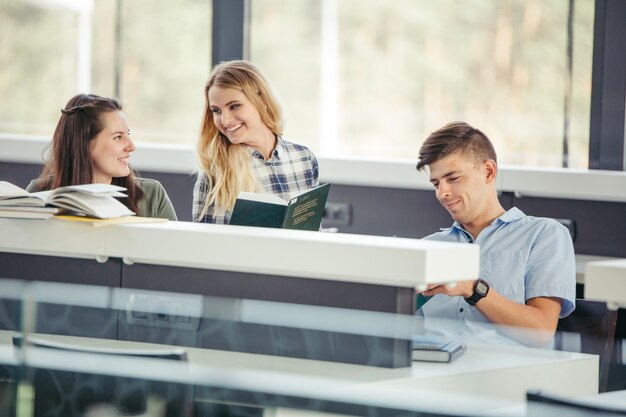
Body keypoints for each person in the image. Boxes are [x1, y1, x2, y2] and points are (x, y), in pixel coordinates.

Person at [415, 121, 575, 347]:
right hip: (432, 372)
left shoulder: (543, 235)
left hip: (507, 377)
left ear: (488, 172)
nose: (443, 193)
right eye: (436, 183)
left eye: (453, 178)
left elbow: (541, 332)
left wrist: (473, 289)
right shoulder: (429, 246)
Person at [193, 60, 319, 223]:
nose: (225, 120)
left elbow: (313, 232)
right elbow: (206, 244)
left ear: (262, 101)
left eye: (234, 106)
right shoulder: (215, 174)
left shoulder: (304, 159)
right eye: (216, 111)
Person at [27, 94, 177, 220]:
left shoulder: (152, 195)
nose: (131, 146)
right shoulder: (38, 194)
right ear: (84, 144)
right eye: (118, 137)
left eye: (128, 134)